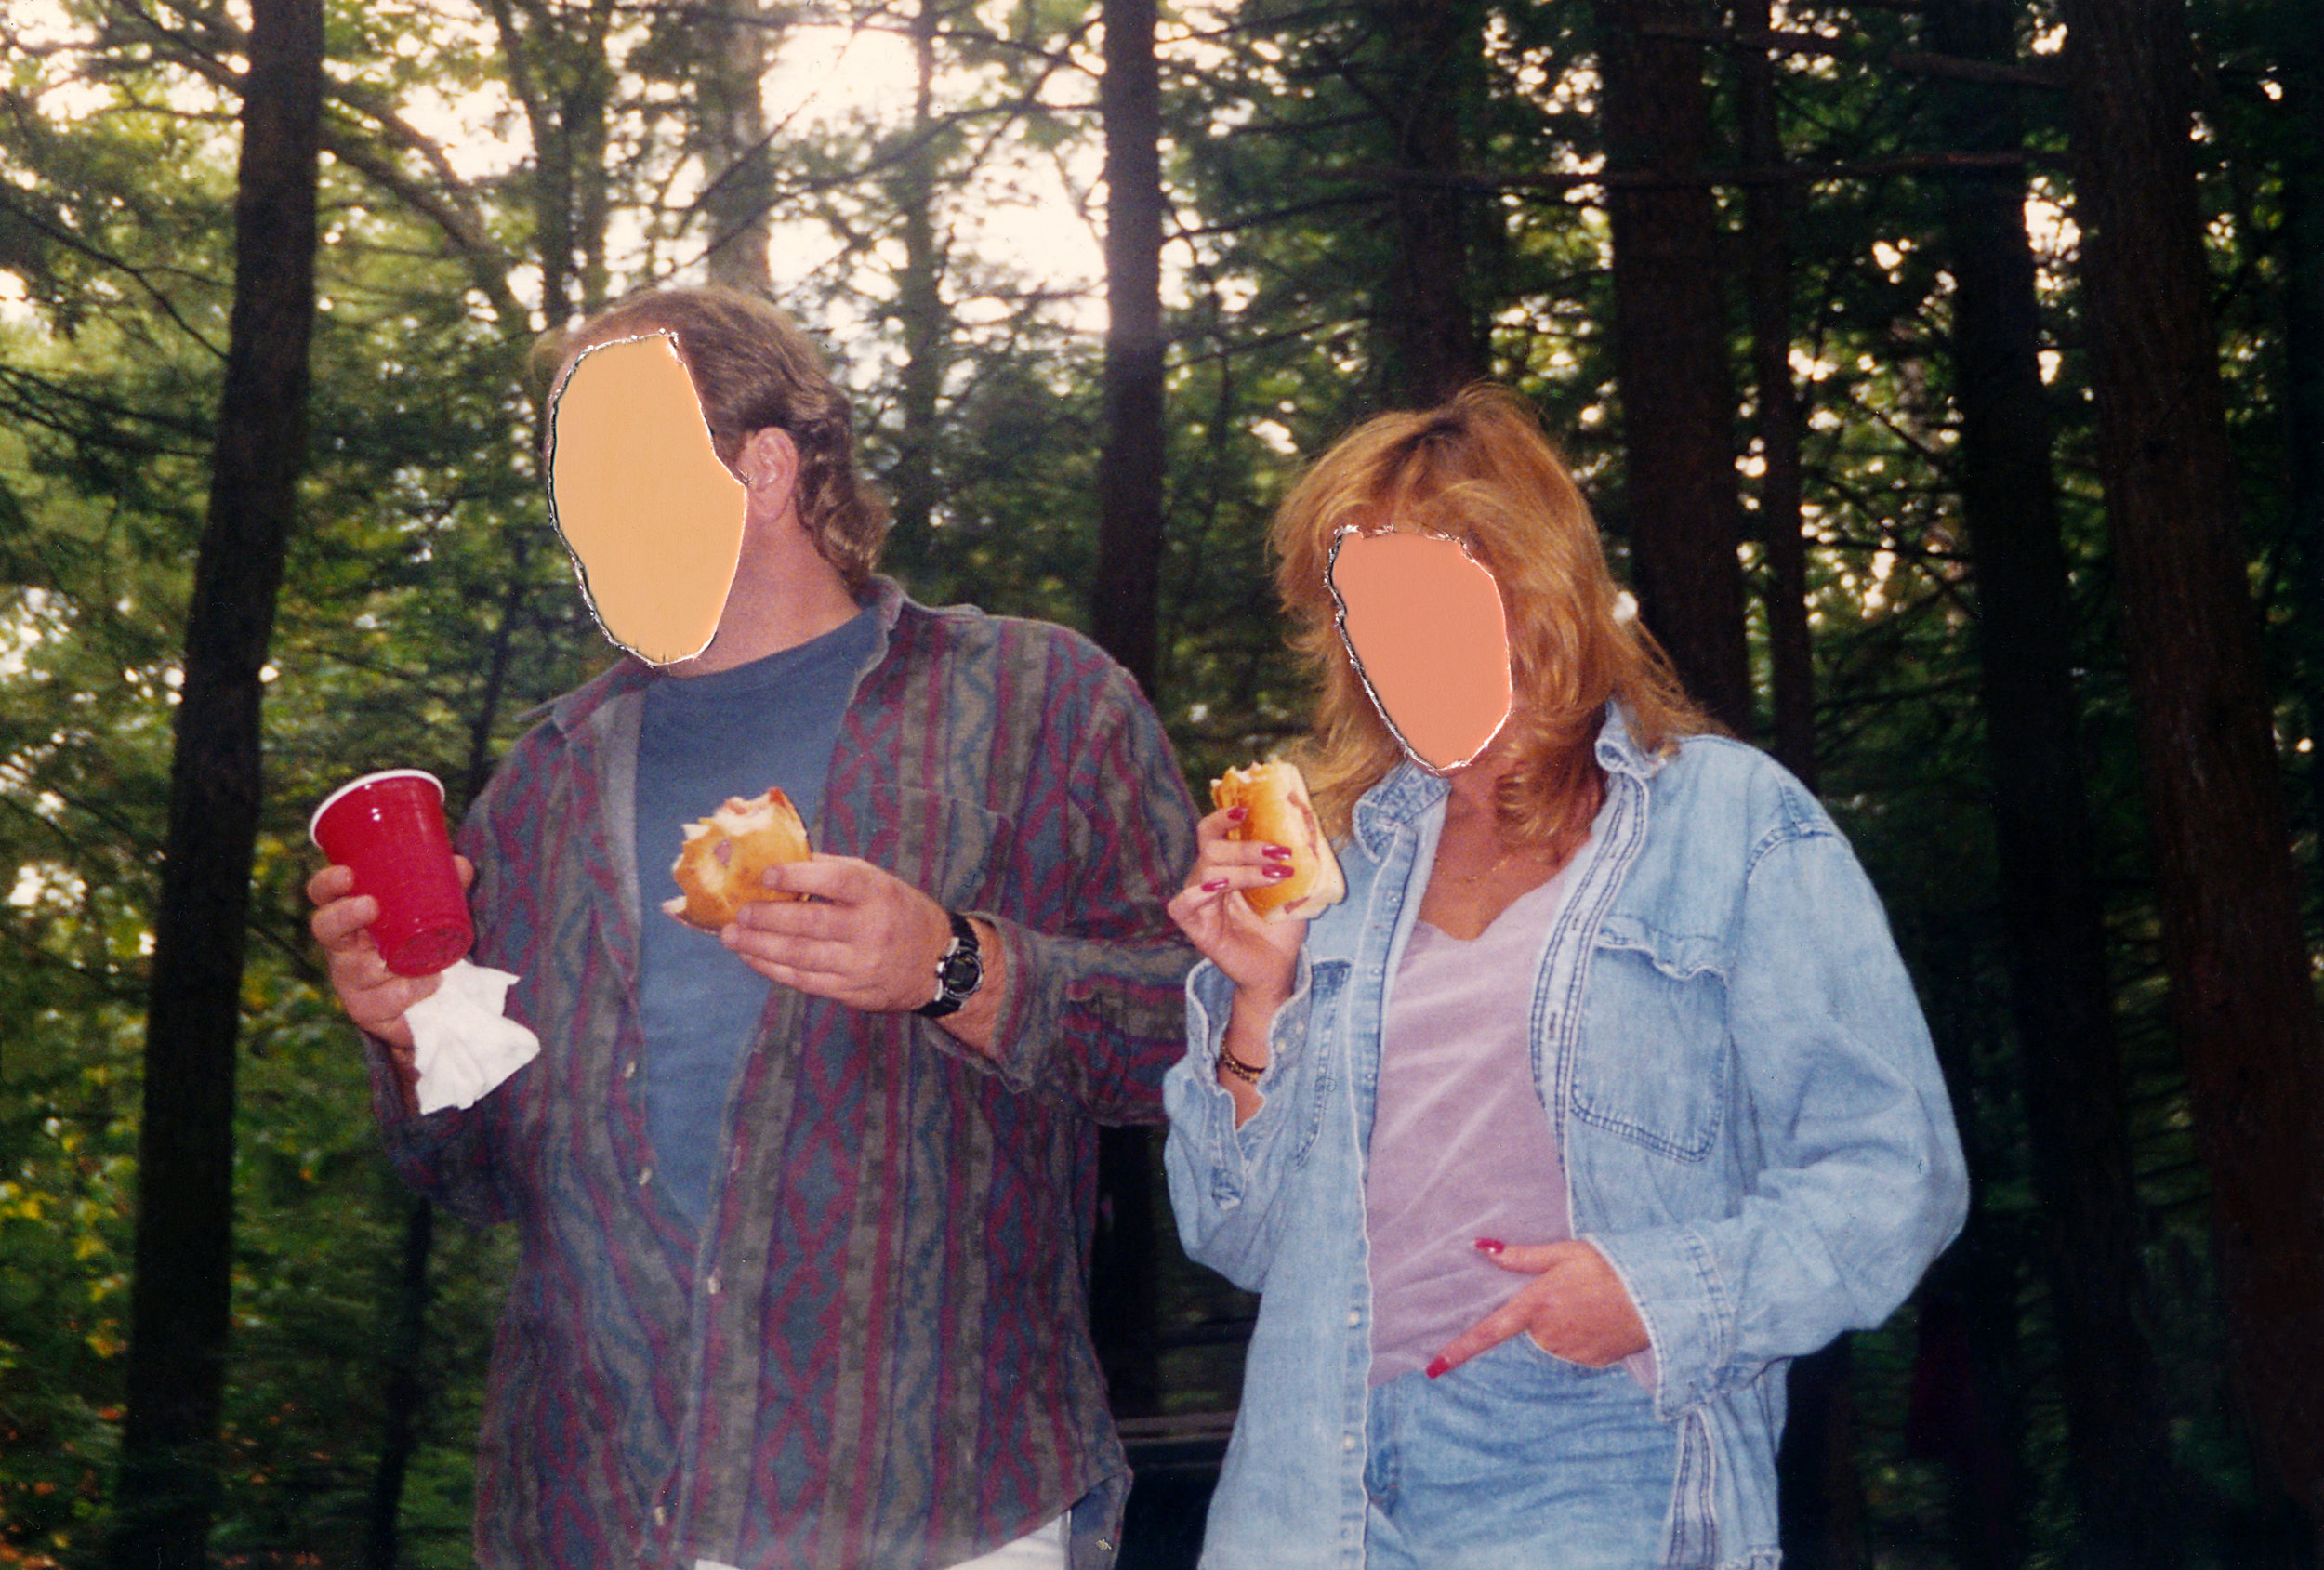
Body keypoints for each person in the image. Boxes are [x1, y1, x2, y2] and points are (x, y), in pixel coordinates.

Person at [307, 287, 1199, 1570]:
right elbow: (481, 1168)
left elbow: (1204, 1034)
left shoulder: (1036, 705)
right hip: (606, 1509)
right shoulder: (545, 784)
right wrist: (408, 1034)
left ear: (766, 468)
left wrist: (952, 964)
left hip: (947, 1498)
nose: (580, 519)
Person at [1162, 386, 1968, 1570]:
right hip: (1307, 1480)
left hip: (1593, 1452)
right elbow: (1237, 1238)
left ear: (1531, 588)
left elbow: (1895, 1173)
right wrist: (1256, 993)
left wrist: (1661, 1294)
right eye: (1351, 602)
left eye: (1419, 587)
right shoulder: (1331, 866)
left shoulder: (1728, 822)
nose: (1377, 634)